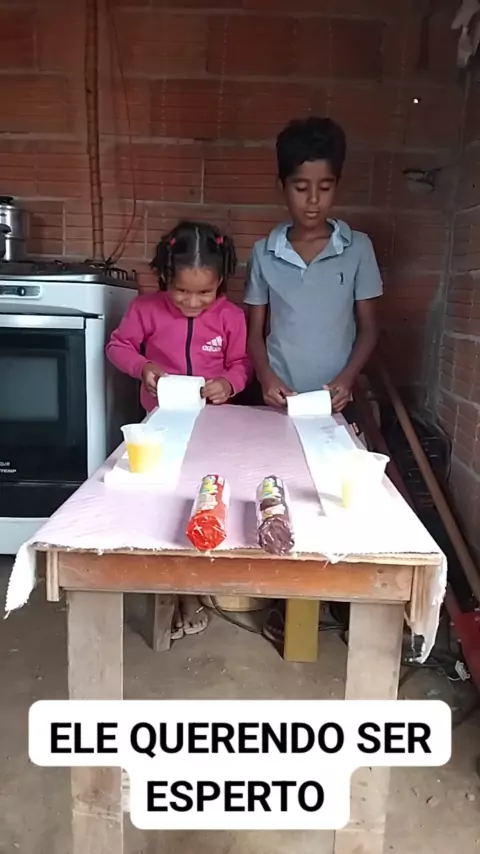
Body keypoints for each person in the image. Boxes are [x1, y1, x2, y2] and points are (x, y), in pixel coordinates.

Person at [244, 116, 383, 642]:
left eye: (325, 187)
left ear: (337, 186)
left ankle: (336, 595)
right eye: (301, 187)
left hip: (336, 405)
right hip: (280, 402)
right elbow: (255, 331)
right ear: (282, 186)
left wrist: (346, 379)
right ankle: (288, 597)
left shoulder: (357, 247)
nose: (312, 200)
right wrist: (265, 376)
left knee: (334, 497)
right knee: (283, 496)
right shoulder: (264, 253)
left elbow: (370, 328)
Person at [106, 220, 251, 640]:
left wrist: (229, 384)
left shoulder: (231, 317)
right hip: (161, 426)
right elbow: (118, 346)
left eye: (205, 293)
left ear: (221, 281)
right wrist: (143, 367)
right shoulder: (145, 310)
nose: (192, 301)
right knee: (161, 504)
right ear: (165, 277)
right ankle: (169, 590)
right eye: (181, 290)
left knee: (202, 500)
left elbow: (241, 364)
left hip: (214, 427)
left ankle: (193, 587)